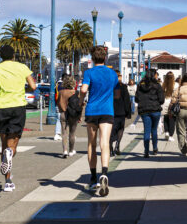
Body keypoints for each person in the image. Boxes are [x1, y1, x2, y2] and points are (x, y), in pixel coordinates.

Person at [0, 44, 37, 193]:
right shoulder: (22, 68)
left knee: (4, 141)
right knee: (12, 143)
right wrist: (22, 89)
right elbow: (33, 86)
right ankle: (10, 154)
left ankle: (8, 181)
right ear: (14, 55)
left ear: (1, 56)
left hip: (1, 107)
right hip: (18, 107)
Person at [80, 46, 115, 196]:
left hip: (92, 111)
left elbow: (83, 90)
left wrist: (81, 101)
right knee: (105, 143)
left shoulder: (89, 72)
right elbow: (117, 91)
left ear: (93, 59)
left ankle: (93, 177)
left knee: (91, 144)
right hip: (107, 111)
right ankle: (105, 172)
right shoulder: (112, 73)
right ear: (105, 58)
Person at [135, 71, 164, 157]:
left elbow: (136, 99)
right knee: (154, 130)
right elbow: (162, 100)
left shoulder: (140, 85)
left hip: (144, 111)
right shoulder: (157, 85)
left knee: (146, 131)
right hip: (155, 110)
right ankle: (155, 148)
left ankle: (146, 151)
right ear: (153, 75)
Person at [56, 75, 80, 158]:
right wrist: (79, 116)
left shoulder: (61, 92)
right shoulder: (75, 92)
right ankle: (71, 150)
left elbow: (58, 102)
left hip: (63, 113)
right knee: (72, 133)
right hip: (73, 114)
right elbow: (79, 105)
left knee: (64, 133)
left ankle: (64, 151)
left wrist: (61, 109)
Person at [110, 69, 132, 156]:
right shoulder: (123, 86)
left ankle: (110, 147)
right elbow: (127, 100)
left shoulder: (109, 86)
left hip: (110, 111)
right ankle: (117, 145)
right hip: (121, 111)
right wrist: (128, 112)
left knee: (111, 130)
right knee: (120, 128)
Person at [160, 71, 176, 142]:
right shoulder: (176, 85)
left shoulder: (162, 85)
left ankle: (166, 131)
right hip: (172, 103)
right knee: (172, 120)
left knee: (165, 118)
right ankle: (171, 135)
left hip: (164, 102)